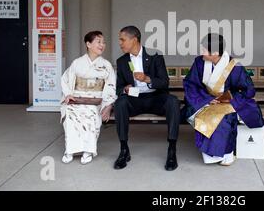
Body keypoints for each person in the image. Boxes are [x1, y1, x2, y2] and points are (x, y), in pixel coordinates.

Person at [183, 33, 264, 165]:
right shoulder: (199, 62)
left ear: (215, 52)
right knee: (204, 116)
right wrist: (206, 99)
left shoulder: (233, 66)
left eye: (204, 50)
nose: (201, 53)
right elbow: (190, 84)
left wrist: (231, 99)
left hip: (226, 102)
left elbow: (249, 90)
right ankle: (215, 155)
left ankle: (226, 153)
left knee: (224, 119)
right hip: (205, 101)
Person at [113, 26, 180, 171]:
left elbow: (164, 82)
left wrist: (147, 79)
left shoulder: (155, 57)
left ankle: (172, 150)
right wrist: (125, 88)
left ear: (134, 40)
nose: (120, 43)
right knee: (120, 103)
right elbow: (118, 87)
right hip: (135, 99)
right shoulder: (121, 61)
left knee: (173, 101)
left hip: (155, 98)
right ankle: (124, 150)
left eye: (122, 39)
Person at [60, 31, 117, 164]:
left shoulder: (106, 65)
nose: (102, 45)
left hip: (96, 100)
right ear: (88, 44)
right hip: (77, 98)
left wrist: (108, 104)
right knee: (70, 114)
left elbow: (110, 85)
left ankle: (88, 150)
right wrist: (68, 94)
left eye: (103, 42)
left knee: (91, 116)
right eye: (98, 42)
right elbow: (65, 79)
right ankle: (70, 149)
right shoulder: (77, 63)